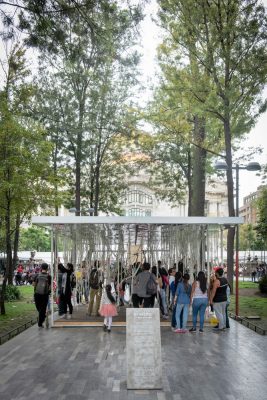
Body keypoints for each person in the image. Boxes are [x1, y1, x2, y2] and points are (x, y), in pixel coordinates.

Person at [33, 263, 51, 328]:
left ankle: (41, 319)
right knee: (43, 308)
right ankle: (40, 322)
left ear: (41, 268)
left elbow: (34, 284)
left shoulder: (37, 275)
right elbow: (49, 286)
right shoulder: (49, 276)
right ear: (47, 268)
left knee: (39, 308)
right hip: (45, 295)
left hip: (37, 294)